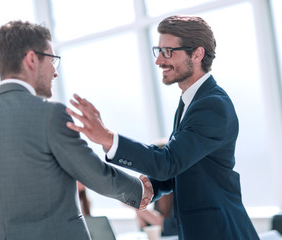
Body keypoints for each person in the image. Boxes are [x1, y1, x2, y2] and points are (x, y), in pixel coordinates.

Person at [66, 15, 260, 240]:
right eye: (158, 51)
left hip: (221, 231)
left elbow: (169, 162)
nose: (159, 60)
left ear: (197, 54)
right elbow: (180, 165)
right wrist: (151, 186)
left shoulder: (211, 104)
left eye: (167, 51)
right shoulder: (190, 102)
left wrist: (108, 137)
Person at [0, 20, 153, 240]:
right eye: (52, 60)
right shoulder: (49, 115)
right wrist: (139, 191)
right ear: (32, 59)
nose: (55, 72)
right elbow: (94, 174)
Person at [135, 139, 177, 237]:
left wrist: (137, 205)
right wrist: (137, 205)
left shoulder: (177, 192)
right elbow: (146, 227)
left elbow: (168, 227)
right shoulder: (158, 194)